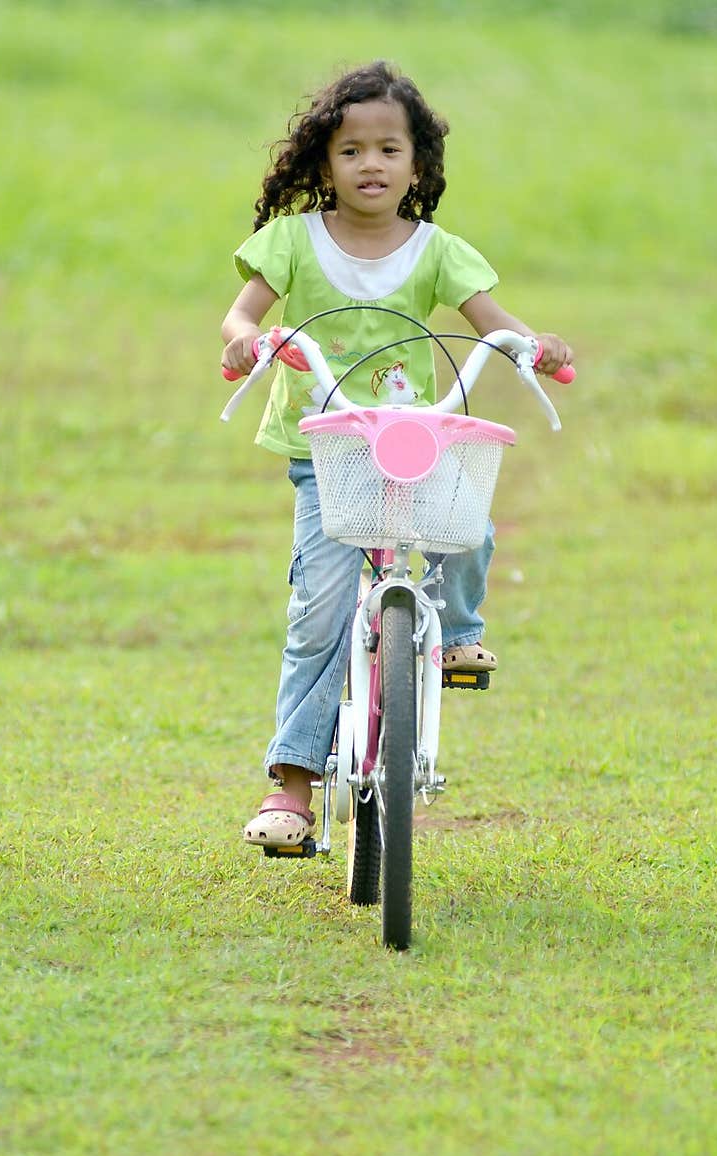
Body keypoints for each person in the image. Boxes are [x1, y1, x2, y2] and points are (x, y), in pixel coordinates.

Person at [220, 60, 572, 849]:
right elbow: (239, 317)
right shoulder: (290, 242)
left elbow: (495, 323)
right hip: (332, 448)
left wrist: (534, 345)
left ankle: (453, 633)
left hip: (412, 436)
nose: (369, 164)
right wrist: (249, 343)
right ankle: (294, 788)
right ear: (322, 164)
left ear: (418, 165)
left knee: (468, 522)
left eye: (388, 149)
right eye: (350, 152)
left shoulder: (437, 249)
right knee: (318, 610)